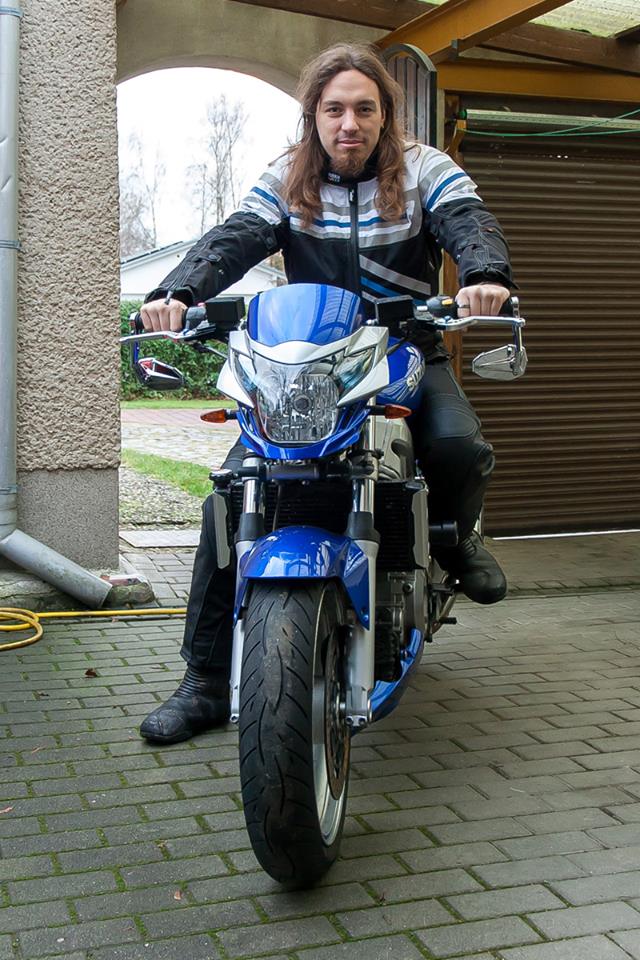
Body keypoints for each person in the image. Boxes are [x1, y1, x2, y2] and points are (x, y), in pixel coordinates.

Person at [138, 43, 514, 745]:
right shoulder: (288, 177)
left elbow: (470, 224)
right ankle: (204, 681)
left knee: (458, 444)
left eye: (365, 109)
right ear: (313, 114)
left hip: (404, 348)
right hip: (310, 361)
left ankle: (456, 540)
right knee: (234, 491)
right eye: (334, 108)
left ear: (385, 114)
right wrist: (177, 292)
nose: (349, 123)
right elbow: (236, 237)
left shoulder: (425, 168)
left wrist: (485, 276)